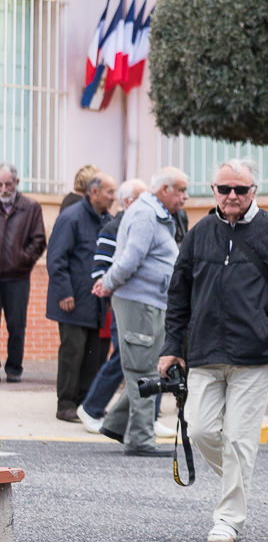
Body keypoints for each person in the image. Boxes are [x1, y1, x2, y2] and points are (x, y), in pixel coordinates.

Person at [160, 159, 268, 542]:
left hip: (254, 354)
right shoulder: (199, 234)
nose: (232, 196)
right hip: (204, 351)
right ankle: (237, 483)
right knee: (199, 428)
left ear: (253, 192)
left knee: (239, 439)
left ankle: (228, 518)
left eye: (240, 190)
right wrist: (170, 348)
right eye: (224, 189)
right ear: (212, 190)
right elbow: (179, 294)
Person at [92, 168, 188, 457]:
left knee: (145, 365)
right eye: (181, 191)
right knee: (143, 370)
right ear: (165, 190)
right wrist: (106, 284)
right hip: (140, 302)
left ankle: (117, 425)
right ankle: (140, 440)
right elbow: (129, 259)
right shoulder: (147, 214)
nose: (185, 197)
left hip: (150, 302)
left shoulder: (152, 211)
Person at [77, 179, 150, 433]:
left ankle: (146, 417)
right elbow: (100, 269)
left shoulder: (146, 224)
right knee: (124, 357)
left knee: (147, 357)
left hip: (145, 302)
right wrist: (109, 289)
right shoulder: (115, 227)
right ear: (128, 202)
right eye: (144, 198)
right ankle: (91, 408)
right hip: (124, 303)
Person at [47, 171, 116, 421]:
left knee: (93, 354)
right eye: (110, 192)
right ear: (94, 192)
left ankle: (85, 403)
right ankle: (65, 404)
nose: (113, 197)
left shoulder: (106, 219)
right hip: (72, 300)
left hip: (96, 302)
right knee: (72, 353)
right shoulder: (71, 218)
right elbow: (56, 259)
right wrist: (64, 292)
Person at [0, 162, 47, 383]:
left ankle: (14, 368)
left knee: (16, 325)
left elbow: (39, 241)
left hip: (17, 277)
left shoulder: (31, 207)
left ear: (16, 183)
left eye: (7, 184)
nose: (3, 189)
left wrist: (22, 259)